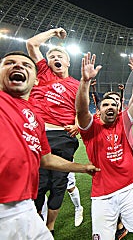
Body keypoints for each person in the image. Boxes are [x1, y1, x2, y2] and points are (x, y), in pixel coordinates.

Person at [0, 51, 98, 240]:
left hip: (23, 207)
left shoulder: (35, 119)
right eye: (9, 63)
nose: (18, 66)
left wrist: (83, 167)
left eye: (27, 65)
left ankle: (58, 218)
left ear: (35, 79)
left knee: (58, 187)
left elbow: (45, 158)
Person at [76, 52, 133, 240]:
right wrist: (85, 82)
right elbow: (81, 109)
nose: (110, 106)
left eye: (114, 104)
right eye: (106, 104)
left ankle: (126, 225)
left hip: (128, 187)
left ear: (119, 109)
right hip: (103, 194)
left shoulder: (123, 121)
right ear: (99, 109)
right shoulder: (91, 128)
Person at [26, 28, 81, 235]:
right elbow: (31, 44)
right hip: (38, 136)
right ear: (46, 63)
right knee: (38, 184)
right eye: (51, 56)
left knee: (59, 184)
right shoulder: (44, 74)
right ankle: (36, 222)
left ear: (68, 63)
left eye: (60, 56)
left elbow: (80, 109)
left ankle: (50, 227)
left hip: (63, 137)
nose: (55, 58)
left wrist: (76, 123)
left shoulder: (76, 85)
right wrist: (53, 33)